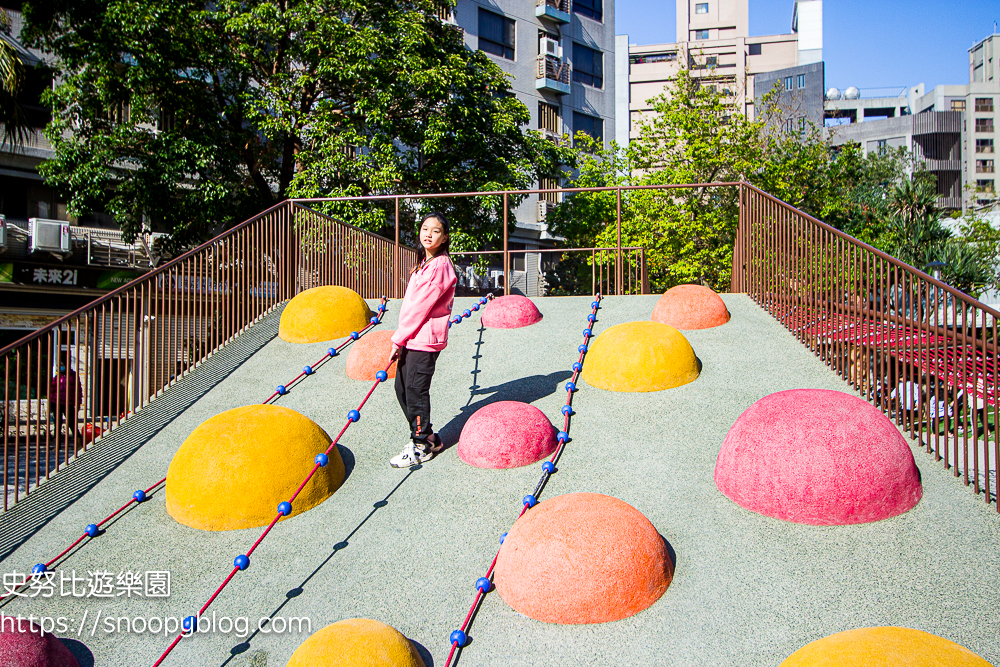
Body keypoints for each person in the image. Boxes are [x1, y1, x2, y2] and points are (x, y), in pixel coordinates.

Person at [388, 212, 458, 468]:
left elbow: (419, 307)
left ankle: (421, 444)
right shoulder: (424, 263)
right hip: (412, 337)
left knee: (416, 390)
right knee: (403, 389)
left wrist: (397, 340)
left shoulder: (440, 266)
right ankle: (428, 437)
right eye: (425, 228)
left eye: (435, 231)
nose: (428, 234)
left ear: (445, 237)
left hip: (424, 338)